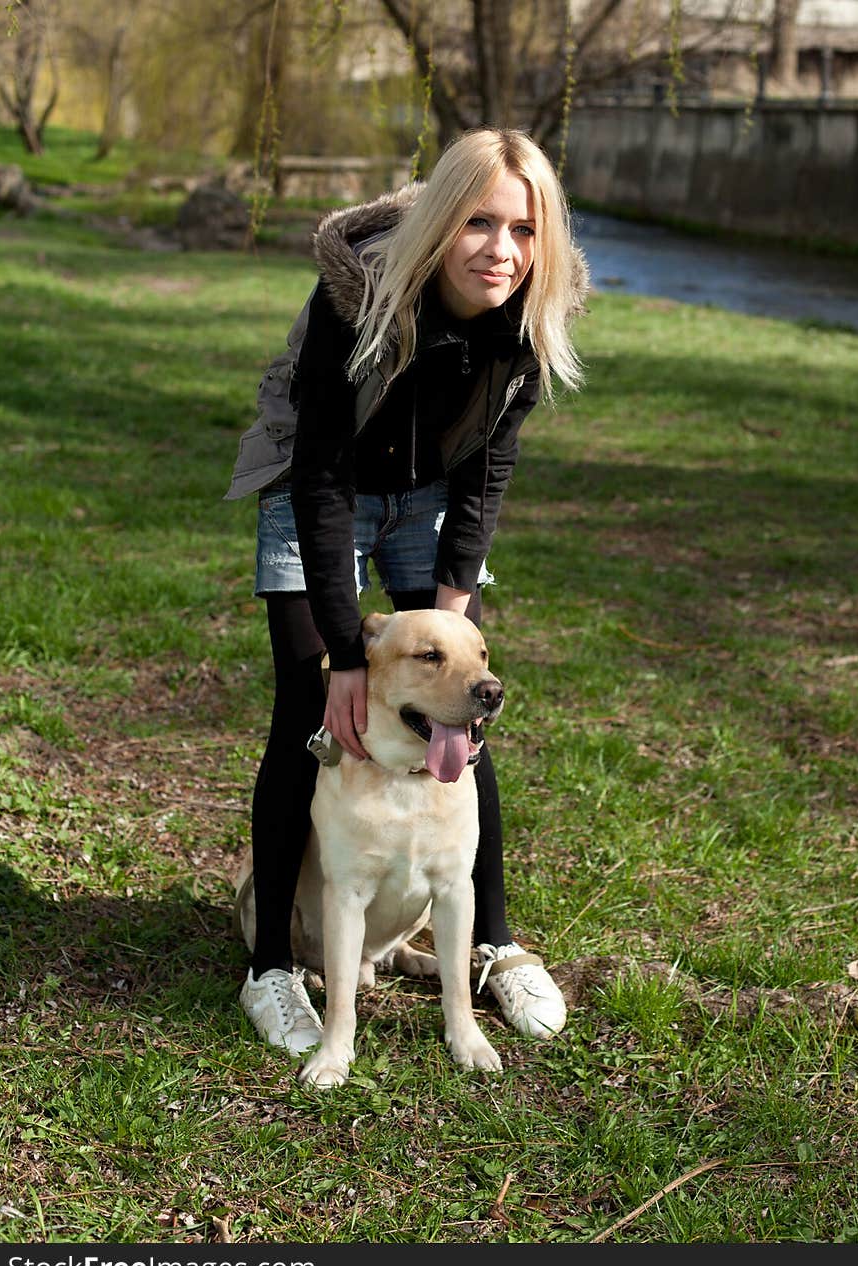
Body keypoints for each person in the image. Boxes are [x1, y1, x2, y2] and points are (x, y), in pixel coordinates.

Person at [226, 127, 589, 1056]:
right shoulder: (362, 293)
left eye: (522, 228)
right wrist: (351, 652)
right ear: (439, 219)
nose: (501, 250)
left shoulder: (530, 313)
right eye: (477, 221)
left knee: (458, 700)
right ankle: (272, 963)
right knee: (307, 708)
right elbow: (318, 474)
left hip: (433, 490)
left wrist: (452, 621)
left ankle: (495, 943)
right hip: (318, 481)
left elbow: (487, 473)